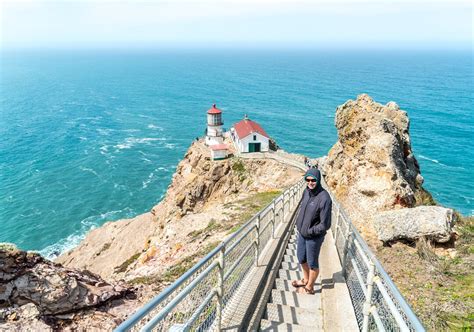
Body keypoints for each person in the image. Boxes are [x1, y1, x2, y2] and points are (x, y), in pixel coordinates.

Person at [292, 168, 332, 295]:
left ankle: (310, 286)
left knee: (312, 263)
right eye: (307, 180)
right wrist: (300, 225)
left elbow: (325, 224)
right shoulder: (306, 191)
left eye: (313, 180)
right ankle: (305, 279)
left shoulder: (324, 198)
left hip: (314, 237)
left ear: (318, 180)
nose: (310, 182)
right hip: (303, 233)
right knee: (301, 258)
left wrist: (310, 231)